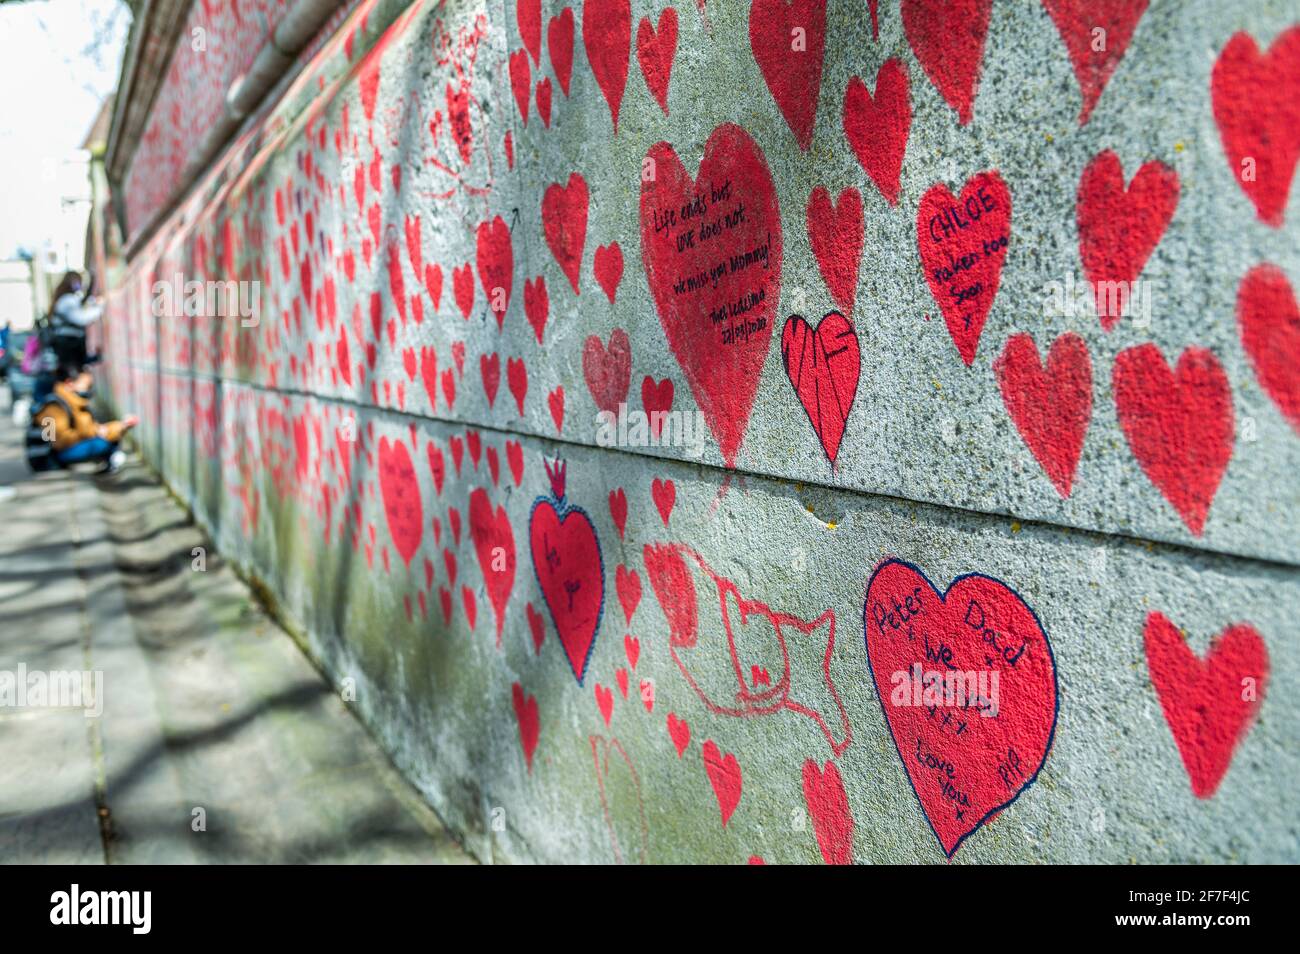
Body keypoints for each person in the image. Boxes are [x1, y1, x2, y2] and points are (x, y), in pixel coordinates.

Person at [32, 361, 137, 473]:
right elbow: (57, 442)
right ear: (69, 383)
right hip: (49, 456)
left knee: (111, 439)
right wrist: (94, 432)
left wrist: (121, 426)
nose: (89, 390)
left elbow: (93, 429)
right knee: (100, 444)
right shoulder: (53, 406)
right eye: (87, 386)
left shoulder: (76, 403)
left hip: (64, 450)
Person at [32, 271, 102, 404]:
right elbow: (81, 318)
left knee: (72, 382)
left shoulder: (65, 300)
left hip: (68, 349)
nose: (79, 285)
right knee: (73, 383)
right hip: (68, 348)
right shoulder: (67, 301)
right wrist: (99, 307)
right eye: (78, 282)